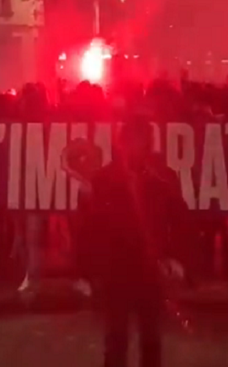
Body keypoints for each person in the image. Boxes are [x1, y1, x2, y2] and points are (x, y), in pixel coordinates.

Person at [79, 119, 187, 367]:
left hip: (147, 267)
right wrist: (86, 270)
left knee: (149, 337)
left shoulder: (160, 177)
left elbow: (178, 219)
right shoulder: (105, 179)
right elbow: (91, 227)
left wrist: (175, 257)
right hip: (118, 268)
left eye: (140, 141)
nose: (135, 147)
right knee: (118, 338)